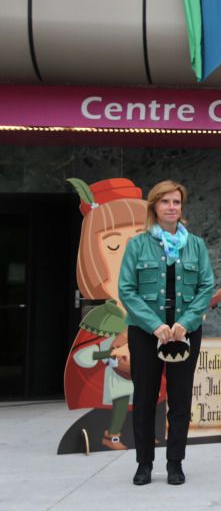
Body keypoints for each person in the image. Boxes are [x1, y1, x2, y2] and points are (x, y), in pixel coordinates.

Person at [118, 180, 215, 486]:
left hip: (185, 332)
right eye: (165, 202)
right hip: (148, 332)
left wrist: (185, 322)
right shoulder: (137, 245)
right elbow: (127, 290)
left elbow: (206, 286)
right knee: (145, 398)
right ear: (154, 207)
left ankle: (176, 463)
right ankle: (144, 463)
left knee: (181, 398)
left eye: (176, 202)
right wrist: (155, 325)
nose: (172, 207)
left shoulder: (195, 245)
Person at [65, 178, 148, 451]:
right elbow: (83, 359)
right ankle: (113, 435)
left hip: (146, 375)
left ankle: (148, 431)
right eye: (114, 246)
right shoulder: (102, 318)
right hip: (117, 376)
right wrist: (110, 350)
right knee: (123, 402)